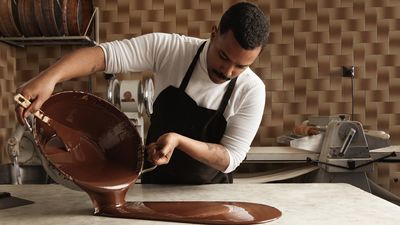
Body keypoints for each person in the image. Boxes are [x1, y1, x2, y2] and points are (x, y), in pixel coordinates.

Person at [15, 2, 270, 184]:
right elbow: (103, 56)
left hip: (212, 195)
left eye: (241, 66)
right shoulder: (171, 50)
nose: (228, 70)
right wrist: (48, 78)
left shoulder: (252, 90)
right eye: (223, 56)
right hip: (154, 185)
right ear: (214, 33)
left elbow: (231, 157)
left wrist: (178, 140)